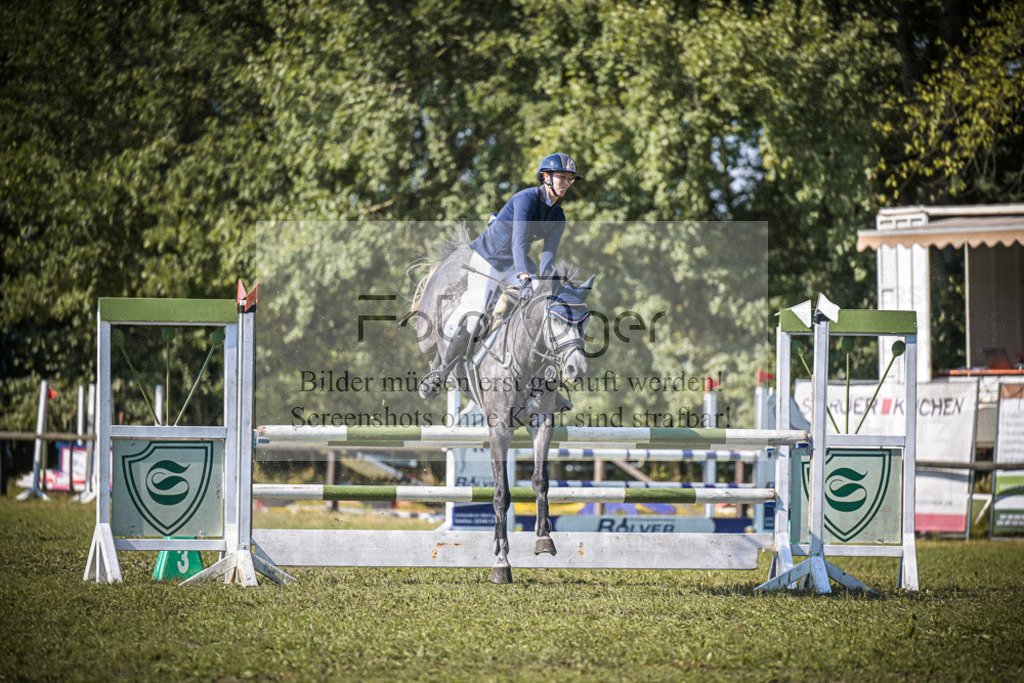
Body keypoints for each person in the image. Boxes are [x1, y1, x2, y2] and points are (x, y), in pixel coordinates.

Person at [419, 152, 584, 400]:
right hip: (489, 259)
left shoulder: (557, 216)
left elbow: (548, 256)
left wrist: (548, 288)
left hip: (516, 264)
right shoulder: (525, 199)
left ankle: (546, 384)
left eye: (569, 178)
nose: (566, 183)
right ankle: (440, 373)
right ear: (545, 177)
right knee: (475, 314)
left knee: (542, 312)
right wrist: (526, 278)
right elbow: (518, 242)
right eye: (561, 177)